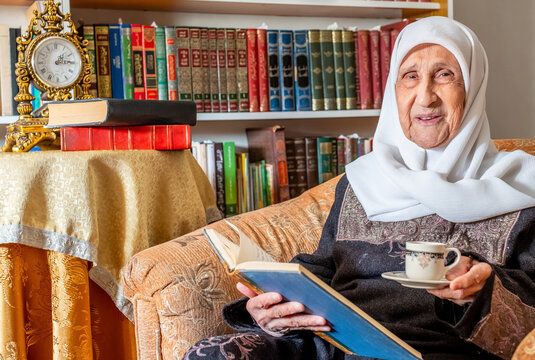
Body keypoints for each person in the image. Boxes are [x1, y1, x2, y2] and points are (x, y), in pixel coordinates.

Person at [184, 16, 535, 360]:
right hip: (331, 341)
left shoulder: (517, 189)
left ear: (472, 87)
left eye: (444, 75)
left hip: (433, 348)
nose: (425, 96)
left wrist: (481, 291)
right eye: (410, 77)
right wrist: (272, 308)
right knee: (212, 354)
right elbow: (322, 268)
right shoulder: (364, 179)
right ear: (393, 90)